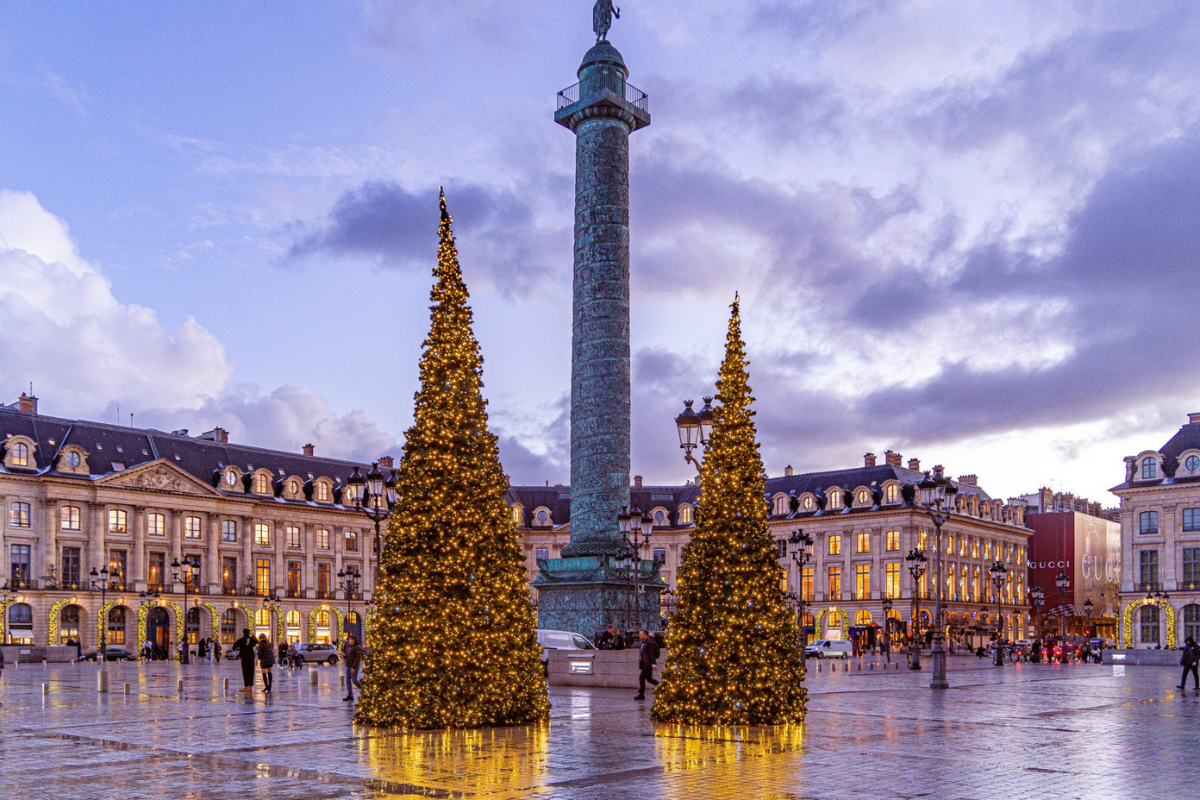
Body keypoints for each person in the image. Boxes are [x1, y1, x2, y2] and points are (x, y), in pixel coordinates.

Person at [633, 629, 660, 701]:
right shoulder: (643, 643)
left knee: (641, 678)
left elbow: (652, 654)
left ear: (645, 635)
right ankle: (661, 687)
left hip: (647, 664)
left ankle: (641, 694)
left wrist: (653, 664)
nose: (639, 636)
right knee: (649, 679)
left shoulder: (649, 643)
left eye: (641, 635)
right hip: (645, 664)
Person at [343, 634, 363, 702]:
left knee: (354, 681)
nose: (349, 640)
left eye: (351, 639)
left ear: (354, 640)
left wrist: (354, 667)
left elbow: (358, 659)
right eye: (349, 639)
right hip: (348, 666)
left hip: (353, 667)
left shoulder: (357, 648)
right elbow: (349, 655)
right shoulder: (349, 647)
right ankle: (350, 695)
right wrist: (345, 656)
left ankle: (363, 690)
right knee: (347, 681)